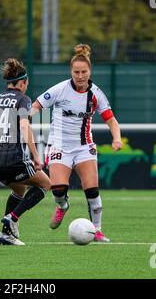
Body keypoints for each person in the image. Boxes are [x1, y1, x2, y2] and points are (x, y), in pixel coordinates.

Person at [31, 44, 123, 242]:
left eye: (84, 72)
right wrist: (25, 117)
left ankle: (97, 231)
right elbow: (36, 106)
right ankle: (62, 206)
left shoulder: (96, 94)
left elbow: (111, 120)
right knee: (58, 190)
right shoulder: (60, 89)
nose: (80, 76)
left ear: (90, 71)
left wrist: (117, 138)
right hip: (59, 146)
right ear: (70, 72)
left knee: (92, 192)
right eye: (76, 72)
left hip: (84, 147)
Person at [0, 58, 51, 246]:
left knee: (19, 189)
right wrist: (36, 156)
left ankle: (5, 235)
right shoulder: (23, 99)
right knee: (45, 184)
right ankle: (13, 218)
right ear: (23, 82)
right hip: (12, 160)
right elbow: (25, 127)